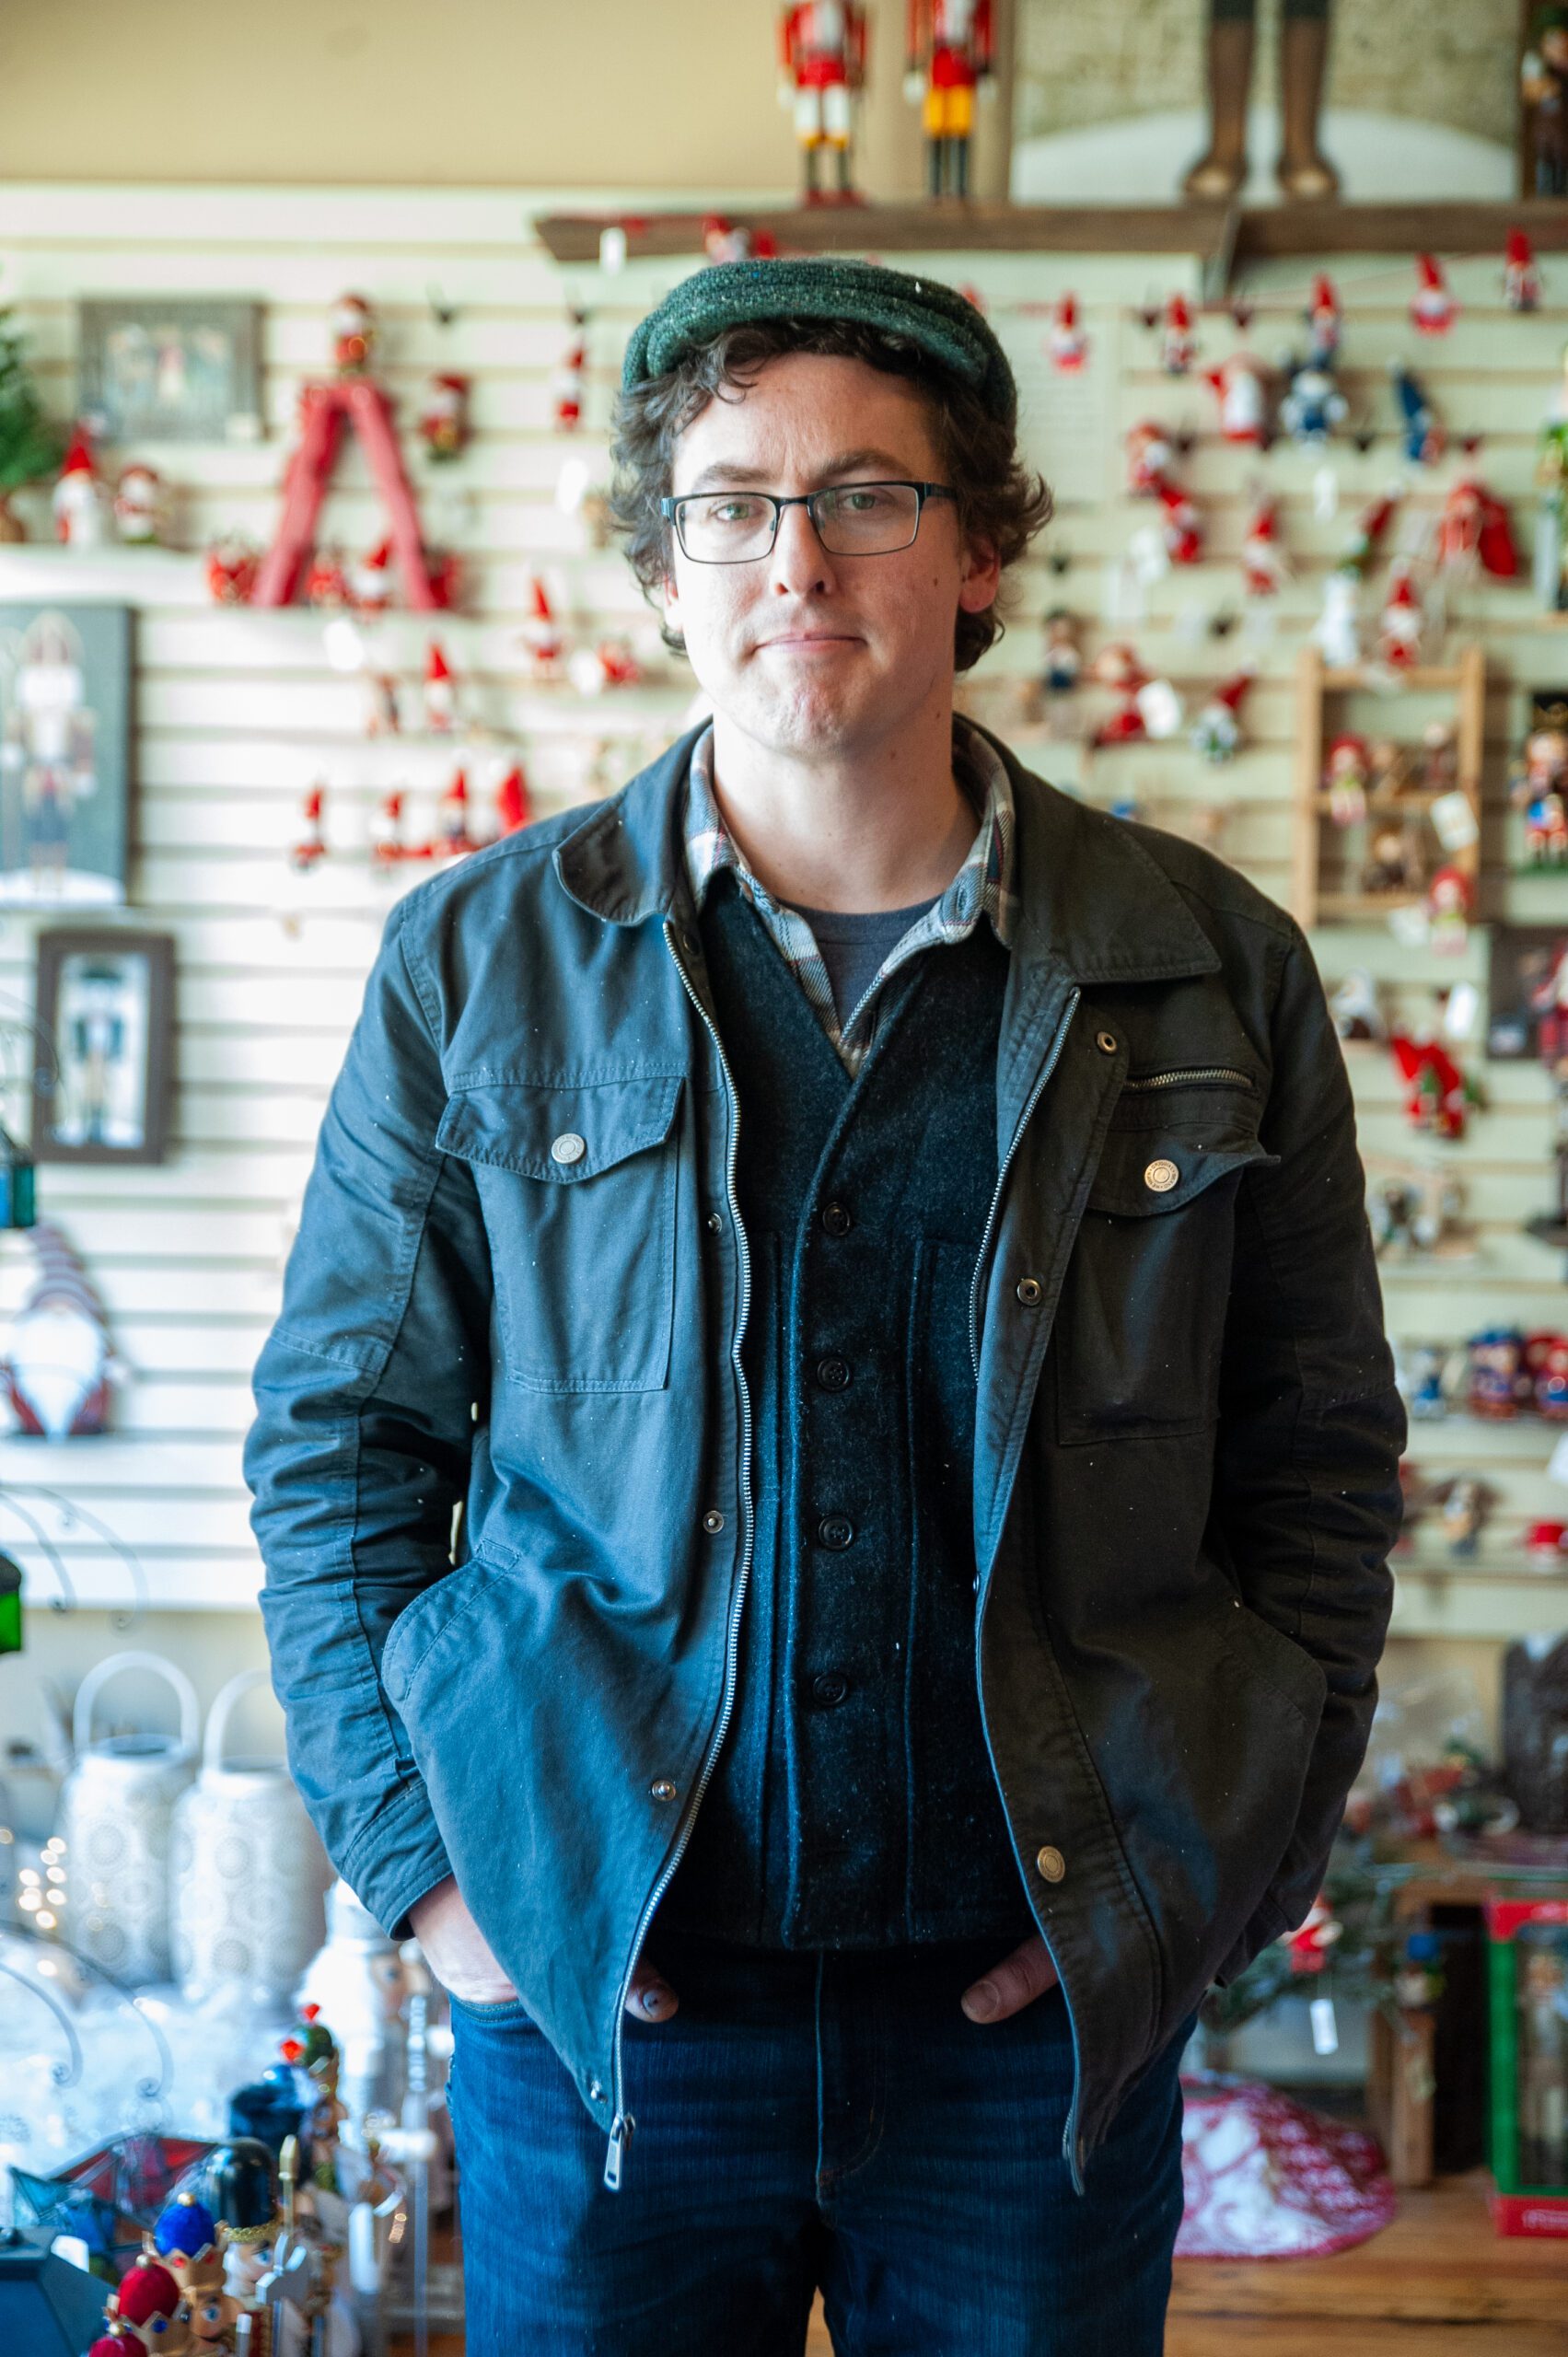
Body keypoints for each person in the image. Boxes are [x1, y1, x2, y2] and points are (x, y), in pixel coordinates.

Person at [245, 257, 1406, 2354]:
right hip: (604, 2007)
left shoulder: (1212, 970)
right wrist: (432, 1879)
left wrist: (1218, 1884)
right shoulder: (476, 965)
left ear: (979, 555)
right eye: (731, 506)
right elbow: (341, 1451)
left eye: (868, 496)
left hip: (1035, 2034)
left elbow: (1317, 1466)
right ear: (663, 569)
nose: (796, 560)